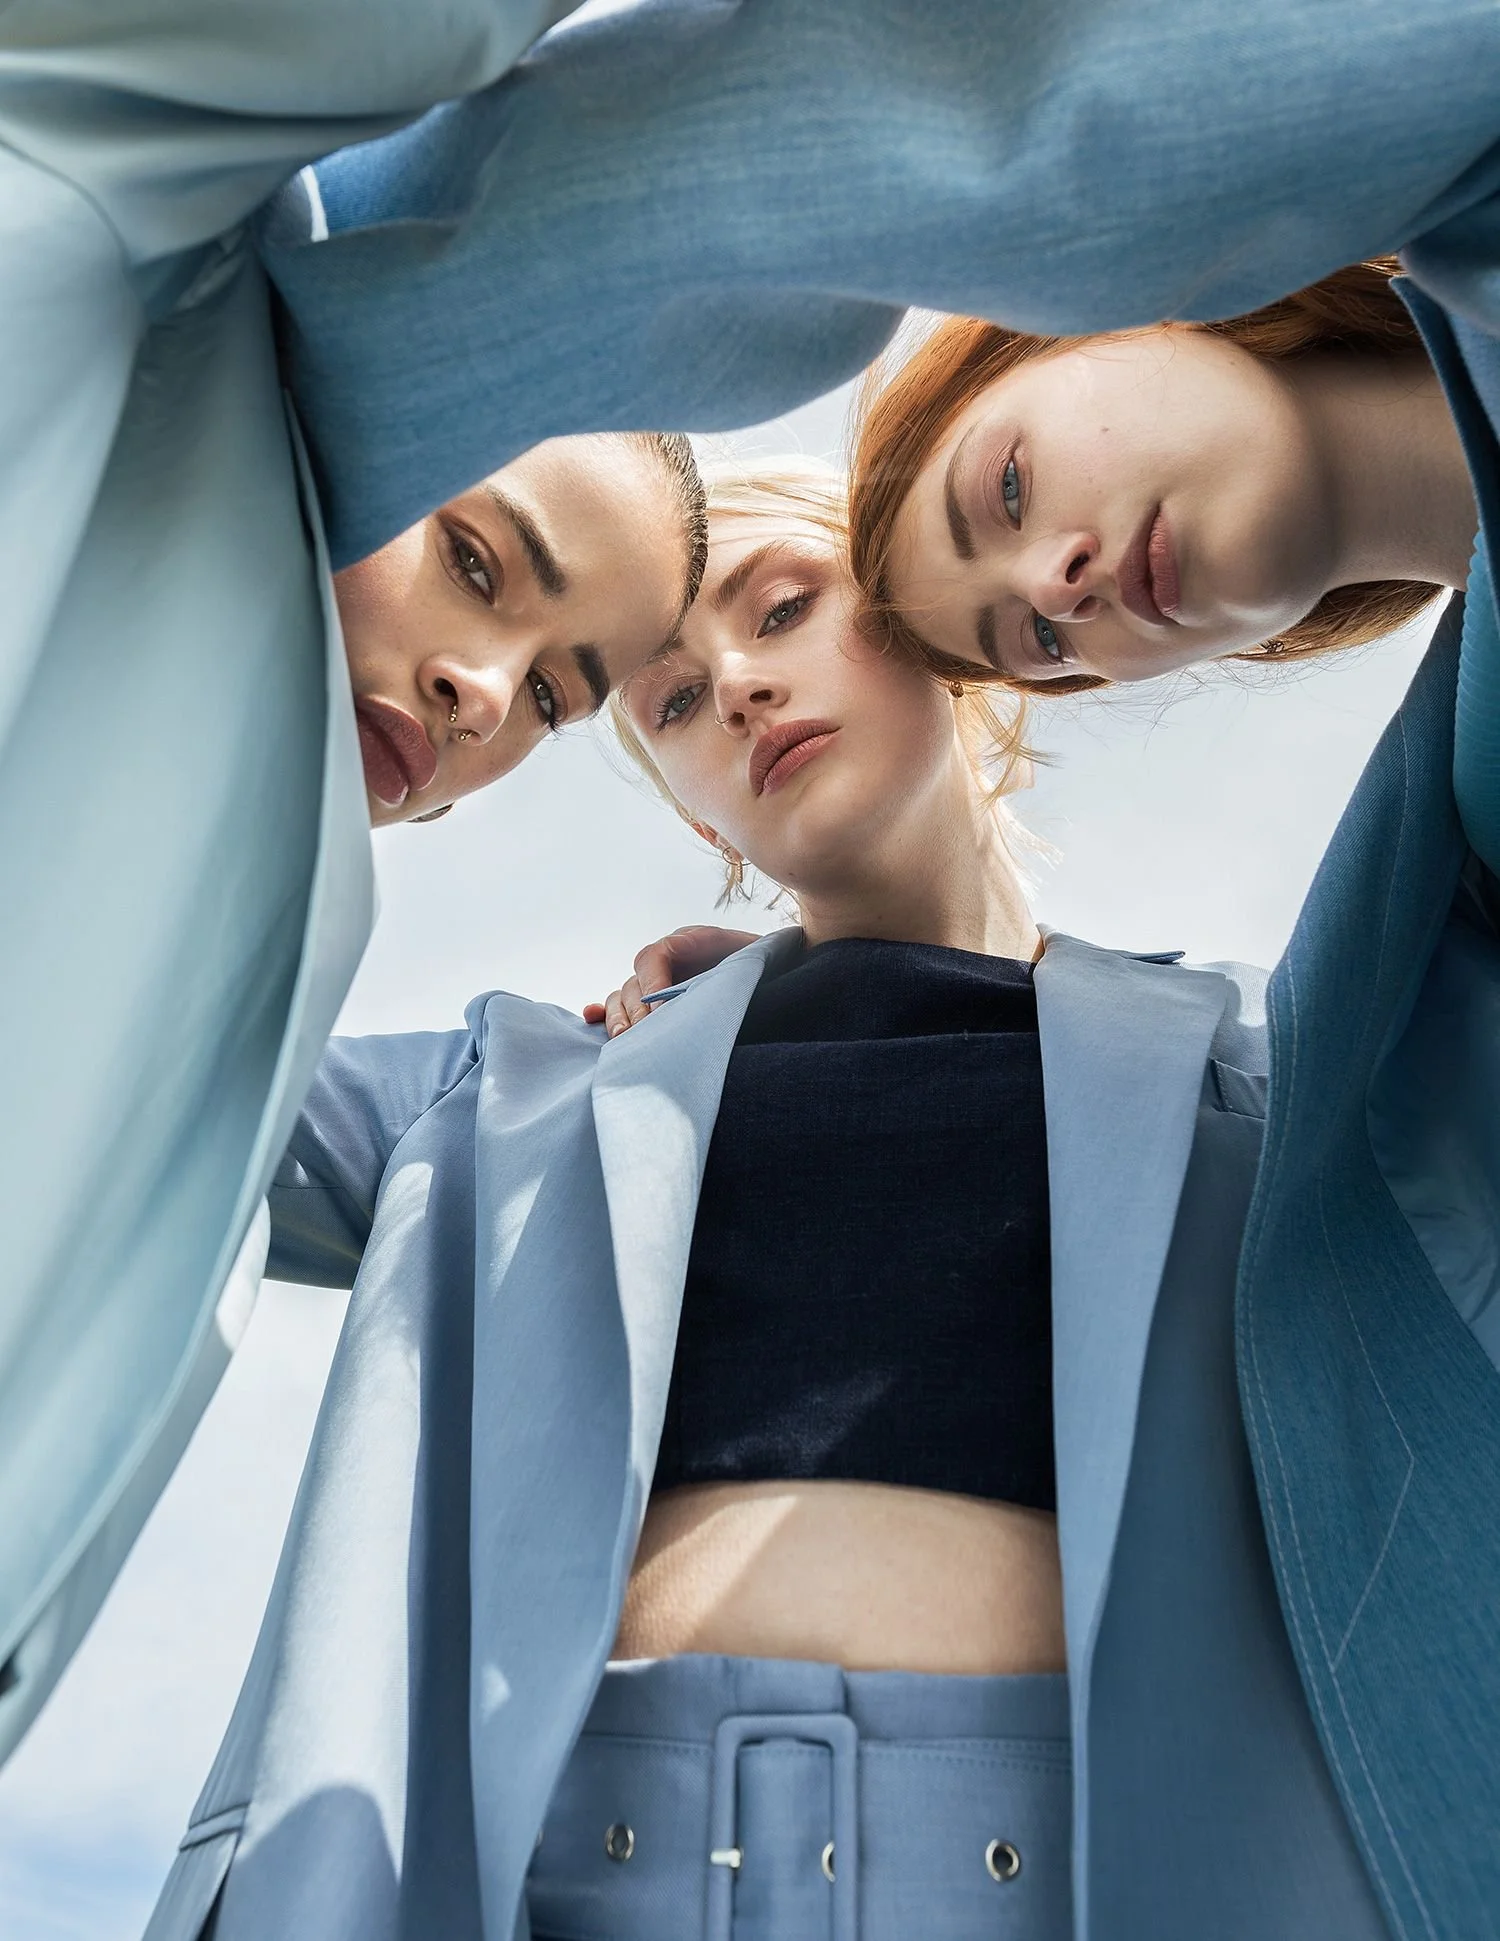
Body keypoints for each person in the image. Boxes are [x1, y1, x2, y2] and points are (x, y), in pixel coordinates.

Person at [145, 465, 1391, 1941]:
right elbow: (140, 1096)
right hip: (569, 1880)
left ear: (943, 631)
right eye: (667, 704)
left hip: (1101, 1882)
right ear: (695, 817)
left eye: (787, 610)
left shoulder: (1266, 1073)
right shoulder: (522, 1087)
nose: (736, 688)